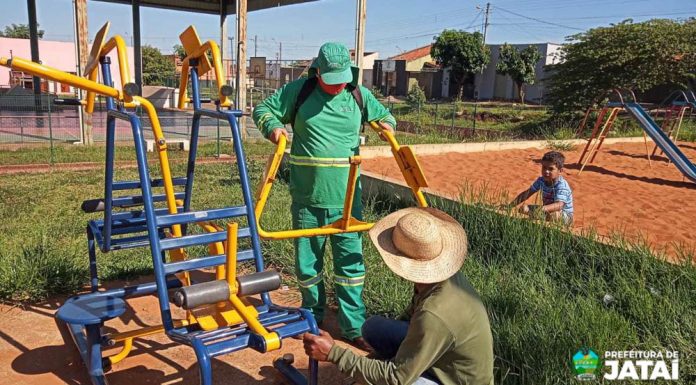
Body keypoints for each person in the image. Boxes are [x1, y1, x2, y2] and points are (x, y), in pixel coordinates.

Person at [252, 42, 396, 349]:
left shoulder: (357, 95)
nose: (338, 84)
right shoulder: (299, 92)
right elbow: (263, 109)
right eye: (332, 78)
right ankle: (312, 317)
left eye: (343, 77)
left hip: (347, 200)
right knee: (308, 266)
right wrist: (274, 128)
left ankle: (353, 326)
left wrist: (386, 126)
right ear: (318, 72)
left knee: (351, 267)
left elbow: (385, 115)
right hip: (308, 198)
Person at [303, 207, 495, 385]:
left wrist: (334, 354)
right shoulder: (443, 280)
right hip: (443, 354)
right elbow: (413, 321)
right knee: (372, 327)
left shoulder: (434, 313)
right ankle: (403, 364)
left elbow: (396, 378)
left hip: (455, 380)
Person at [508, 151, 574, 225]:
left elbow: (559, 205)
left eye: (551, 169)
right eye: (544, 167)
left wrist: (542, 209)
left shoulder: (562, 185)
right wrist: (510, 206)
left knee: (554, 215)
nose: (546, 171)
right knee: (524, 208)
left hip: (564, 215)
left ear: (560, 171)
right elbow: (528, 193)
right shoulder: (541, 180)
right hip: (546, 211)